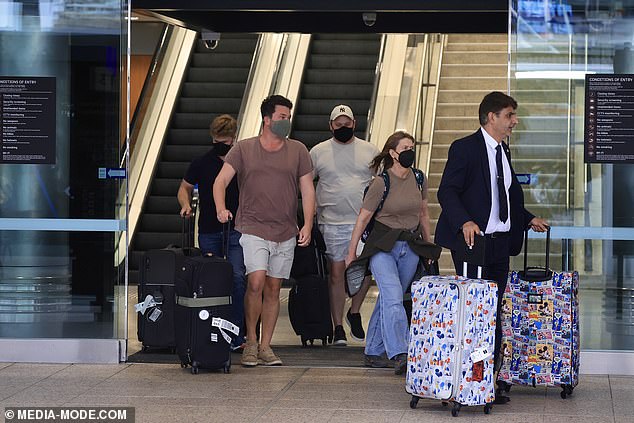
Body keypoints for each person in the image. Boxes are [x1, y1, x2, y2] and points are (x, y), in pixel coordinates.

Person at [434, 91, 549, 403]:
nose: (515, 121)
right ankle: (468, 381)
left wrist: (526, 219)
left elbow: (503, 197)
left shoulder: (503, 151)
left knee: (494, 312)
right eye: (510, 115)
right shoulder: (465, 148)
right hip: (474, 244)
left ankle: (486, 381)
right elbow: (447, 192)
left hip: (500, 245)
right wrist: (464, 222)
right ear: (491, 117)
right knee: (476, 314)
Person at [213, 94, 315, 367]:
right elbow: (220, 181)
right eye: (283, 117)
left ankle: (266, 346)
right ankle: (250, 342)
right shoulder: (244, 149)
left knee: (273, 287)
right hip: (253, 226)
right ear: (267, 119)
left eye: (289, 117)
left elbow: (307, 189)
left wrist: (307, 223)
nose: (287, 122)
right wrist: (221, 208)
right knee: (255, 281)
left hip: (285, 230)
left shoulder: (298, 151)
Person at [345, 131, 440, 374]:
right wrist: (352, 251)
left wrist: (428, 245)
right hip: (382, 246)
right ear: (393, 153)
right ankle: (401, 352)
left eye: (412, 146)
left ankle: (374, 351)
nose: (410, 151)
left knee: (389, 298)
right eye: (405, 147)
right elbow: (363, 218)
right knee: (394, 296)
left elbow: (423, 213)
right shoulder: (381, 182)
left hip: (409, 247)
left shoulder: (419, 178)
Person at [310, 104, 379, 347]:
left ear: (354, 123)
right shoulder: (318, 152)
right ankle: (338, 326)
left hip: (362, 223)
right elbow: (307, 184)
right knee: (336, 273)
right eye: (338, 124)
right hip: (331, 223)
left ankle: (355, 311)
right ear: (331, 126)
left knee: (368, 271)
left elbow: (381, 183)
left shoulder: (370, 150)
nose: (342, 127)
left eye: (346, 123)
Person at [176, 114, 246, 351]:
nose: (221, 144)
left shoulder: (241, 162)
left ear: (234, 138)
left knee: (237, 277)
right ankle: (211, 329)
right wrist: (185, 204)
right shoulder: (200, 163)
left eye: (225, 141)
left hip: (237, 229)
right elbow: (184, 188)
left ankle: (237, 332)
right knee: (210, 280)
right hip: (208, 229)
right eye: (218, 139)